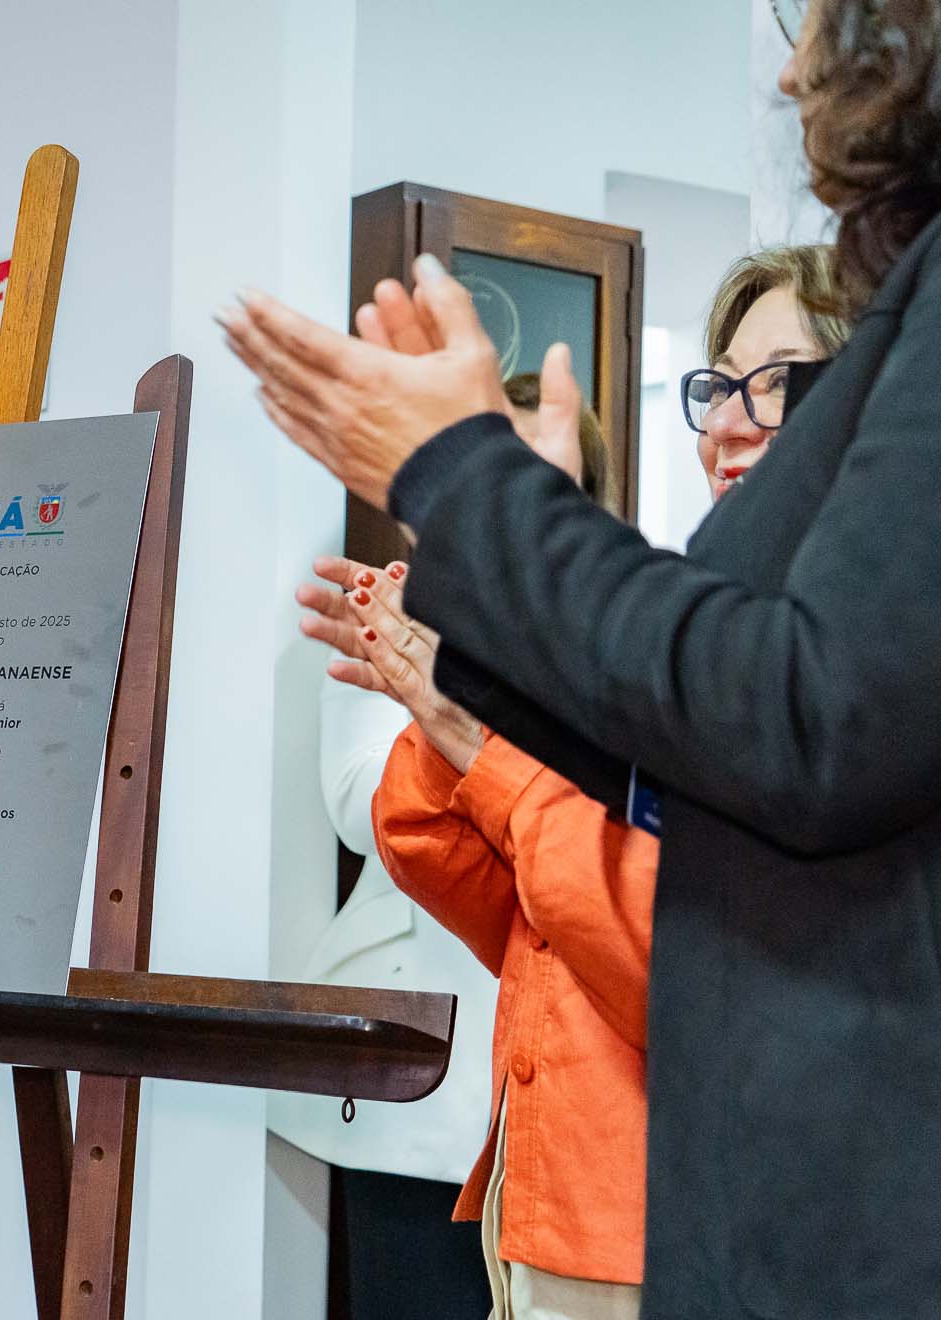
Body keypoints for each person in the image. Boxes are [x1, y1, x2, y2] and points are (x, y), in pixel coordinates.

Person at [226, 2, 941, 1312]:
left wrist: (472, 493)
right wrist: (485, 613)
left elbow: (808, 721)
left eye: (820, 14)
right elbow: (678, 770)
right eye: (715, 385)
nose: (791, 67)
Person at [275, 373, 601, 1320]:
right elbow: (362, 808)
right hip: (418, 1085)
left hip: (582, 1083)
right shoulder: (383, 616)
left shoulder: (615, 631)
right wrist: (440, 684)